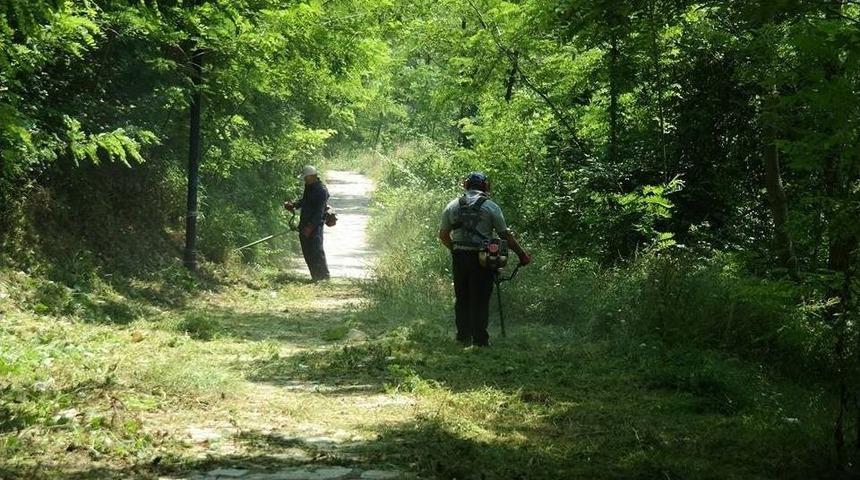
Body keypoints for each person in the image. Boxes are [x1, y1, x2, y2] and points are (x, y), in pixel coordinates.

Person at [438, 172, 531, 346]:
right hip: (482, 259)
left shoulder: (452, 206)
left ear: (466, 186)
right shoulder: (491, 207)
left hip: (459, 257)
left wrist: (455, 250)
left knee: (462, 297)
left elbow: (443, 235)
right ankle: (480, 341)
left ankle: (462, 337)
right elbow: (505, 236)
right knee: (479, 299)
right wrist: (522, 254)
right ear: (485, 187)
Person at [284, 165, 330, 282]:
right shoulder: (309, 187)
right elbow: (305, 201)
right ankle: (315, 277)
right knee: (307, 252)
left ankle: (324, 277)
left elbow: (319, 212)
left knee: (316, 251)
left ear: (313, 176)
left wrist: (310, 228)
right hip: (304, 224)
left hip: (315, 226)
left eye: (306, 177)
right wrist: (294, 205)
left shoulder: (321, 191)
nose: (304, 180)